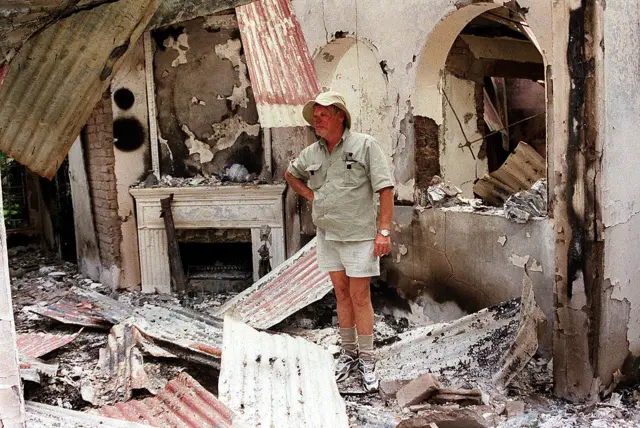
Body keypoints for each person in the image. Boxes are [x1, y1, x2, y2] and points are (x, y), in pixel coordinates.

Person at [285, 91, 394, 392]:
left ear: (339, 115)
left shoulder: (365, 145)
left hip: (359, 236)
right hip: (328, 235)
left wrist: (383, 231)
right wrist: (311, 195)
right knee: (341, 295)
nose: (317, 120)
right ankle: (348, 354)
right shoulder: (312, 153)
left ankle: (368, 359)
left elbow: (385, 189)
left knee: (360, 297)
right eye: (314, 116)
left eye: (323, 115)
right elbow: (291, 175)